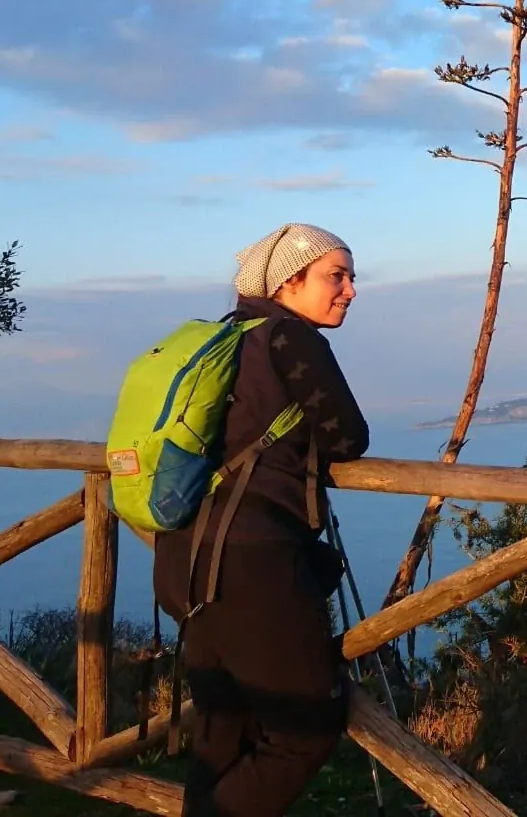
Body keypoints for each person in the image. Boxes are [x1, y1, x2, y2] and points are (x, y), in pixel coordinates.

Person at [151, 222, 370, 817]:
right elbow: (348, 436)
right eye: (336, 276)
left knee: (222, 736)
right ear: (287, 281)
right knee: (306, 729)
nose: (351, 290)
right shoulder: (289, 339)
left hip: (186, 556)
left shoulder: (227, 336)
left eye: (351, 277)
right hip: (253, 562)